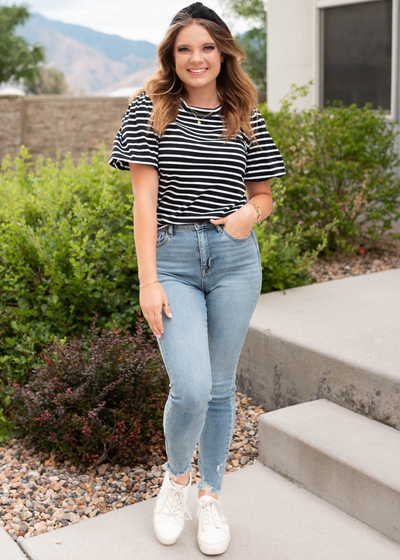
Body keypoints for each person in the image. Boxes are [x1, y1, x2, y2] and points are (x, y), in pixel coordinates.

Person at [108, 1, 286, 555]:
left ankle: (210, 494)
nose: (196, 57)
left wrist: (247, 217)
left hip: (236, 260)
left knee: (218, 387)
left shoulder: (242, 112)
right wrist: (148, 281)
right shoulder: (150, 108)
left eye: (206, 47)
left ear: (223, 52)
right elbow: (144, 204)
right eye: (184, 48)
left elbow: (265, 194)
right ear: (171, 55)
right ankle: (176, 480)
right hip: (174, 259)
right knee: (189, 387)